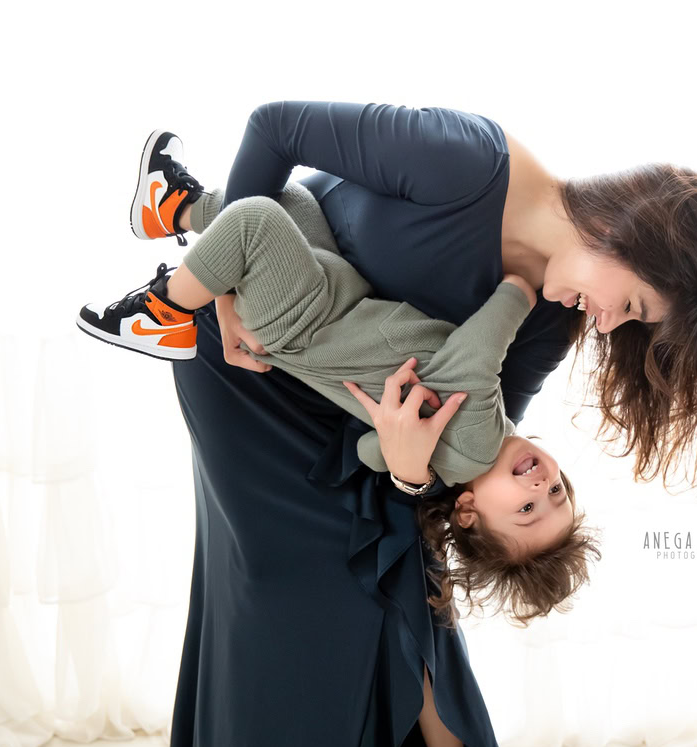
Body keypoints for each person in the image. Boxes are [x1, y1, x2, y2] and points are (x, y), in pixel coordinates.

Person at [125, 102, 697, 747]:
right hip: (254, 355)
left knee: (392, 575)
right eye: (627, 305)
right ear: (627, 237)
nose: (605, 325)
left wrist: (412, 473)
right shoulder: (468, 165)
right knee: (286, 588)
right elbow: (276, 128)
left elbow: (472, 437)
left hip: (354, 412)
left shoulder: (554, 314)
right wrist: (232, 291)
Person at [76, 175, 603, 623]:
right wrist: (407, 469)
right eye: (558, 492)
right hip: (334, 301)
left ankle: (160, 313)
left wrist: (517, 291)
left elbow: (476, 353)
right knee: (291, 200)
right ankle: (173, 207)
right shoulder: (456, 455)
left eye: (528, 509)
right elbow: (371, 450)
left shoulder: (480, 440)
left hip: (306, 317)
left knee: (256, 221)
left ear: (467, 513)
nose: (541, 484)